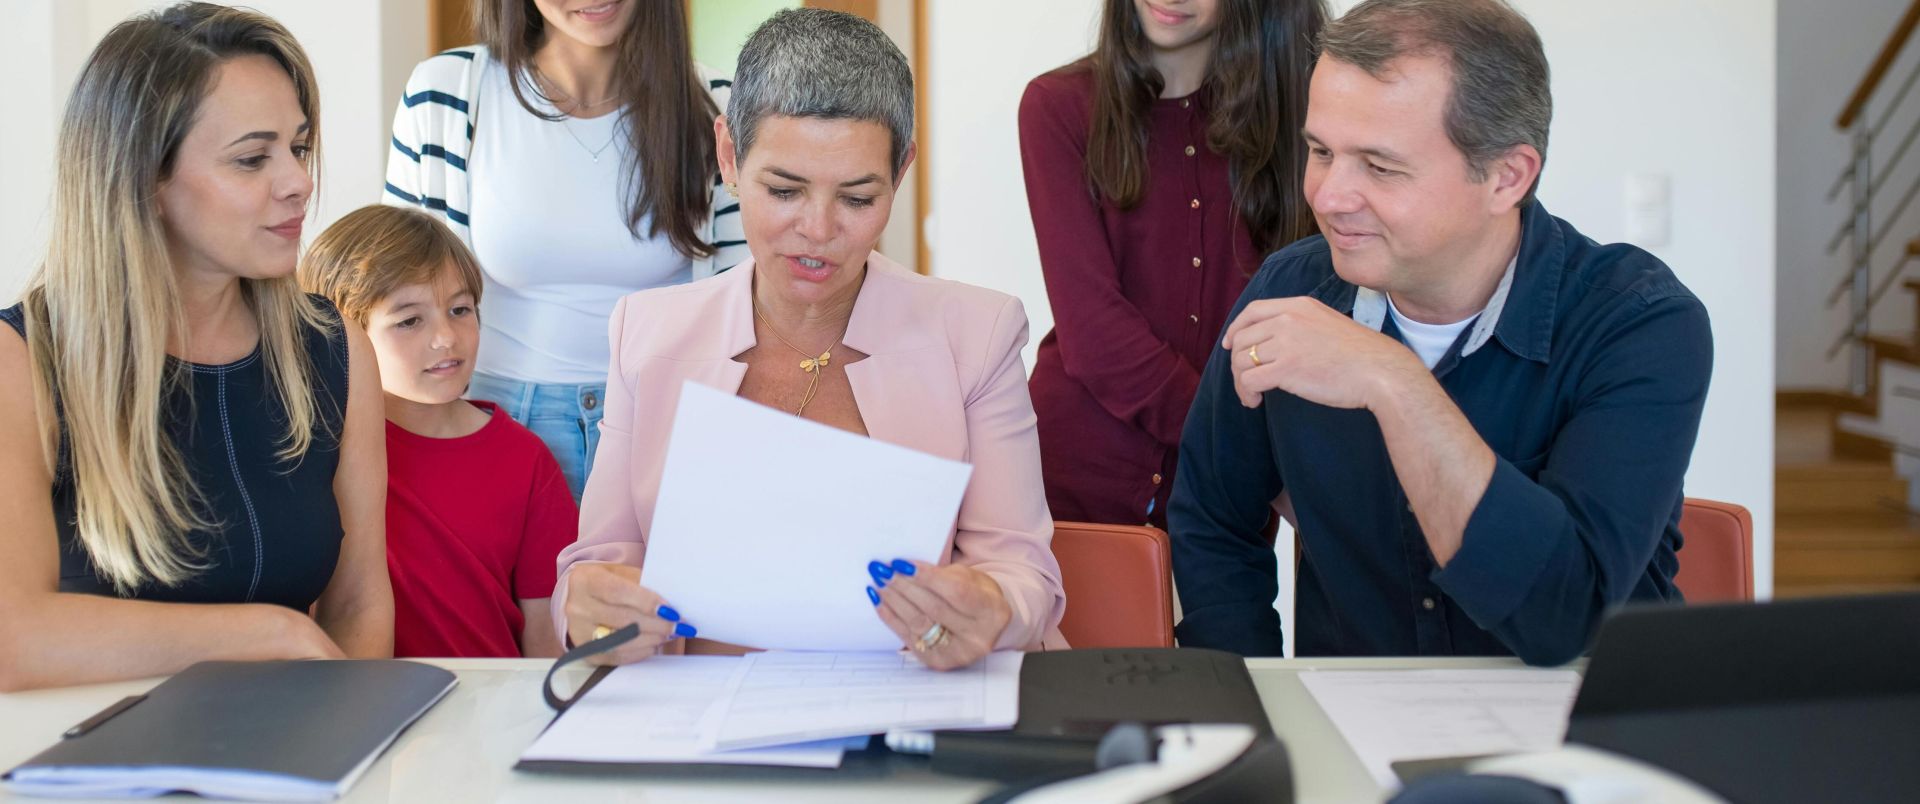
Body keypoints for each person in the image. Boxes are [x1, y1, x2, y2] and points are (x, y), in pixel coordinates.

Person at [1170, 0, 1713, 666]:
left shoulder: (1639, 322)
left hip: (1585, 729)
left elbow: (1561, 617)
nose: (1330, 196)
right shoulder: (1291, 288)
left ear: (1507, 177)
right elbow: (1212, 517)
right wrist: (1253, 701)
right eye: (1320, 152)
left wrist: (1393, 380)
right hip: (1356, 727)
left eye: (1381, 166)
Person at [555, 9, 1067, 671]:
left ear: (901, 171)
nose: (818, 229)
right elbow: (596, 567)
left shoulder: (976, 333)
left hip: (912, 715)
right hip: (694, 726)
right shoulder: (646, 335)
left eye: (857, 198)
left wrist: (994, 605)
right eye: (784, 190)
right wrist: (585, 605)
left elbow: (1026, 574)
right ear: (730, 156)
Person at [0, 2, 392, 691]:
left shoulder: (337, 351)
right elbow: (12, 640)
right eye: (251, 159)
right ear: (145, 180)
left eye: (298, 148)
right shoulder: (18, 363)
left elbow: (358, 602)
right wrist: (269, 633)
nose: (299, 181)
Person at [384, 0, 749, 501]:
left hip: (664, 429)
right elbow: (394, 297)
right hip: (492, 425)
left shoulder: (718, 105)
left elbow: (745, 304)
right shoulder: (446, 93)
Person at [1021, 0, 1324, 529]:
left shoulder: (1298, 120)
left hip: (1224, 500)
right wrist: (1245, 447)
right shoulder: (1059, 105)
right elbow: (1093, 333)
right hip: (1073, 481)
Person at [300, 206, 576, 658]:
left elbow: (546, 639)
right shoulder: (316, 458)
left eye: (460, 309)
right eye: (410, 320)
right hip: (368, 711)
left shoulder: (527, 459)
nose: (446, 337)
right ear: (340, 333)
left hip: (498, 716)